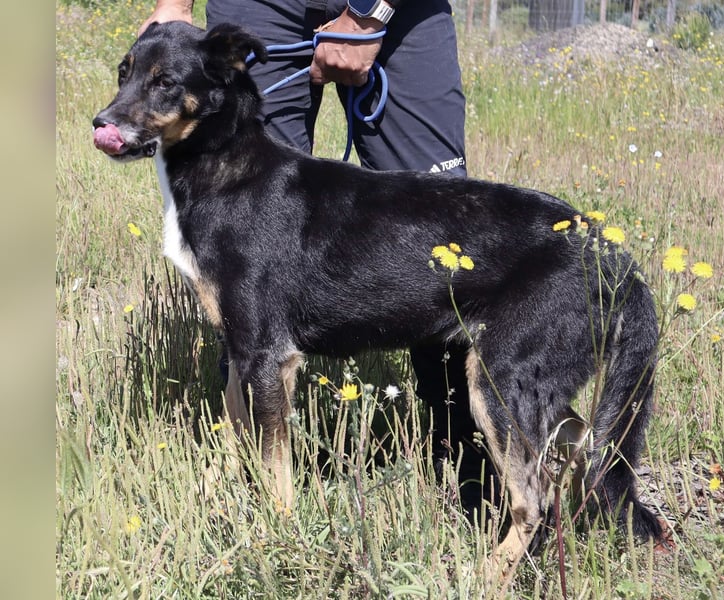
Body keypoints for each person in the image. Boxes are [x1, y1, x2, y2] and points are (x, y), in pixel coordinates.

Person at [139, 0, 491, 512]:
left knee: (445, 240)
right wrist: (173, 4)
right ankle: (257, 496)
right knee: (245, 258)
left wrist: (370, 16)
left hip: (404, 12)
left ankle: (480, 479)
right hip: (261, 8)